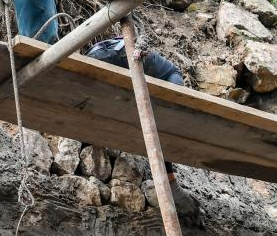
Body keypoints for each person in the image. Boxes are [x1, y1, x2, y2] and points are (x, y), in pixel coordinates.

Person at [85, 36, 199, 218]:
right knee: (164, 126)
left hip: (96, 53)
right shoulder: (173, 74)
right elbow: (162, 131)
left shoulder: (163, 69)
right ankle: (172, 185)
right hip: (125, 55)